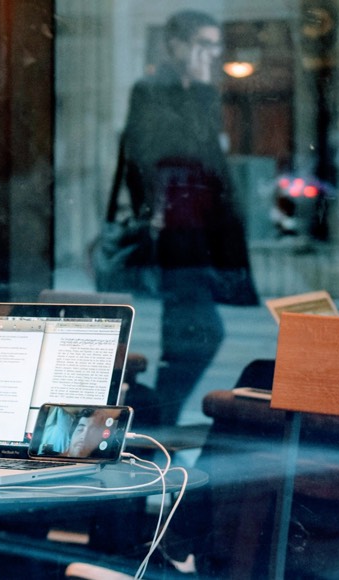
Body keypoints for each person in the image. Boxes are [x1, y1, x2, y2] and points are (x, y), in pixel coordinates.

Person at [120, 10, 258, 425]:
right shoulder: (150, 91)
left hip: (202, 230)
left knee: (186, 336)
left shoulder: (204, 94)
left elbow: (212, 162)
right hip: (172, 232)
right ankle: (155, 419)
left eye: (214, 46)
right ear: (175, 45)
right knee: (200, 332)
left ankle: (157, 421)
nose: (209, 55)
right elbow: (144, 157)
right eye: (201, 44)